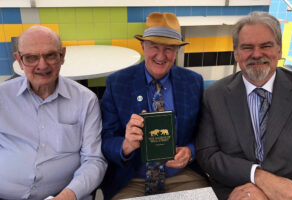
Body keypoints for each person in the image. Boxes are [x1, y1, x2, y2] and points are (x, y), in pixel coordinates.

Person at [100, 12, 208, 199]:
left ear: (177, 51)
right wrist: (125, 145)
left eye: (169, 49)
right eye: (154, 46)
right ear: (143, 46)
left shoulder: (193, 82)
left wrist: (190, 151)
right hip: (133, 180)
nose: (161, 55)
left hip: (182, 176)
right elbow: (105, 139)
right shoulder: (117, 83)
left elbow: (205, 132)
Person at [196, 11, 292, 200]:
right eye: (247, 47)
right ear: (236, 53)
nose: (256, 54)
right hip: (236, 192)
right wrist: (257, 177)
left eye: (266, 46)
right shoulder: (214, 96)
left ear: (279, 50)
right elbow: (207, 155)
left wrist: (283, 190)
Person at [0, 25, 107, 200]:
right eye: (31, 58)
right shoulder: (2, 97)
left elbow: (94, 161)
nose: (42, 65)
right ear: (19, 60)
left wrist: (68, 195)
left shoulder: (85, 100)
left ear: (62, 55)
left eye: (50, 55)